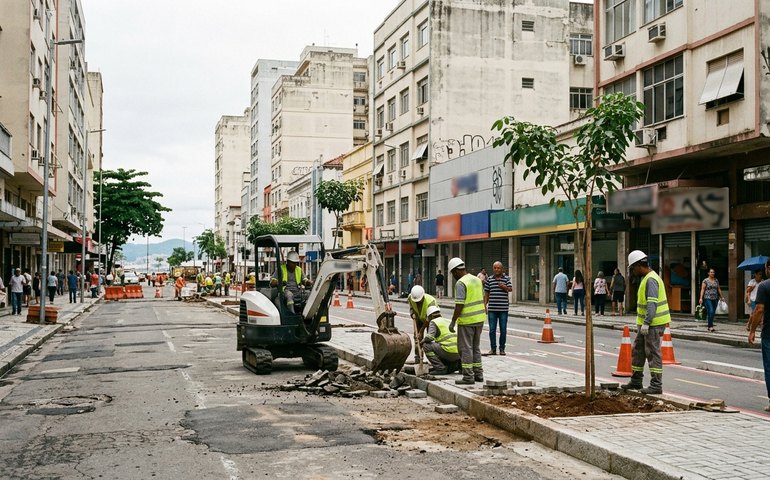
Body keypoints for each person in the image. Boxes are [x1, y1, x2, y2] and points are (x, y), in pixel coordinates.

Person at [621, 250, 670, 395]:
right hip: (646, 324)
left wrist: (647, 322)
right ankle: (636, 380)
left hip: (653, 323)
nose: (633, 271)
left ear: (638, 265)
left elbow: (652, 304)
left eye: (632, 268)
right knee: (638, 350)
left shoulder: (651, 279)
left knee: (653, 352)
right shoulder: (646, 278)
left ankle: (656, 385)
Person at [447, 257, 486, 385]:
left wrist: (453, 321)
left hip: (467, 320)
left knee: (465, 349)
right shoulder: (477, 280)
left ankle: (468, 376)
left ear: (455, 271)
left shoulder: (461, 283)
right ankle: (478, 374)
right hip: (479, 319)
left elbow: (459, 305)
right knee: (476, 347)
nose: (453, 276)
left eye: (452, 273)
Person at [747, 258, 770, 412]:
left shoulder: (764, 286)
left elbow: (759, 310)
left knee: (769, 366)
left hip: (769, 332)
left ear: (769, 268)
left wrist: (752, 329)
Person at [421, 305, 460, 375]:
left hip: (448, 351)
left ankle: (440, 368)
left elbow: (429, 338)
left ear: (430, 316)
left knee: (426, 346)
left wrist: (422, 341)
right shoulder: (447, 320)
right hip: (459, 353)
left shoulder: (433, 321)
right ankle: (459, 366)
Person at [484, 261, 512, 355]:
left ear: (502, 269)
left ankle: (502, 349)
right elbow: (486, 293)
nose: (497, 269)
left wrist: (504, 287)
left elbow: (510, 289)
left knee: (503, 330)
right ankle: (493, 349)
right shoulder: (489, 279)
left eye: (498, 268)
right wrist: (485, 305)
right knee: (492, 330)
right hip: (492, 309)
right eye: (495, 268)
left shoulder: (507, 279)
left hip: (503, 309)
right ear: (493, 269)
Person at [408, 285, 438, 362]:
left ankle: (434, 360)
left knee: (430, 339)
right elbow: (411, 306)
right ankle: (418, 357)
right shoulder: (411, 297)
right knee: (417, 338)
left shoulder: (431, 301)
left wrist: (421, 331)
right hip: (419, 317)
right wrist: (412, 313)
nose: (417, 302)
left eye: (419, 301)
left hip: (432, 319)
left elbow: (429, 319)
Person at [699, 268, 725, 332]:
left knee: (712, 312)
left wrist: (722, 297)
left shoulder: (716, 280)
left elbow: (718, 289)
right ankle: (711, 326)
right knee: (710, 311)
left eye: (713, 272)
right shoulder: (705, 281)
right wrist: (701, 298)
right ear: (708, 273)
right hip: (707, 298)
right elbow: (702, 289)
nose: (712, 273)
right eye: (711, 272)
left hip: (715, 298)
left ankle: (709, 325)